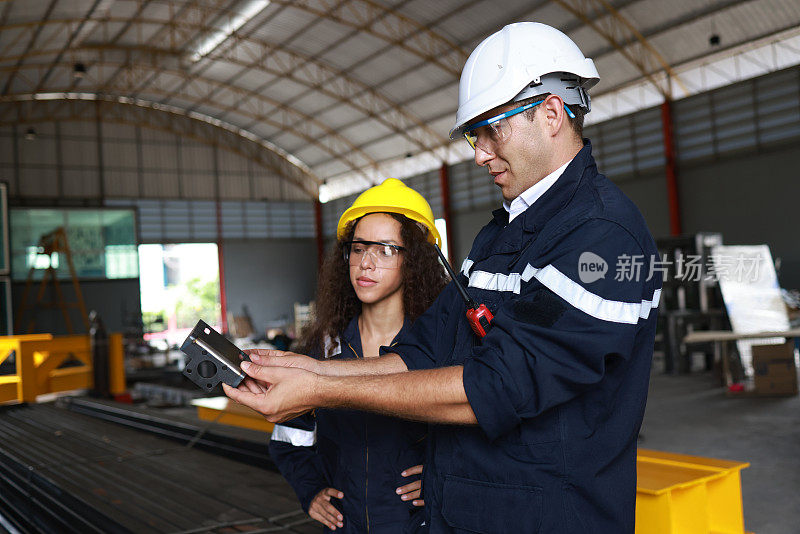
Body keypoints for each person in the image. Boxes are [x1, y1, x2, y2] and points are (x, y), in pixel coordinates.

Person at [226, 22, 662, 533]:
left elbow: (494, 389)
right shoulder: (498, 237)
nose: (479, 154)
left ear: (550, 114)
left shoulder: (601, 239)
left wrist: (320, 392)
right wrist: (304, 371)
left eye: (491, 130)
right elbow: (420, 354)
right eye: (474, 135)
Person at [263, 178, 449, 533]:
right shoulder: (327, 348)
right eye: (360, 248)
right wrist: (311, 490)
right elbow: (288, 438)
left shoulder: (439, 346)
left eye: (385, 250)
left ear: (416, 261)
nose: (366, 263)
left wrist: (444, 476)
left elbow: (485, 429)